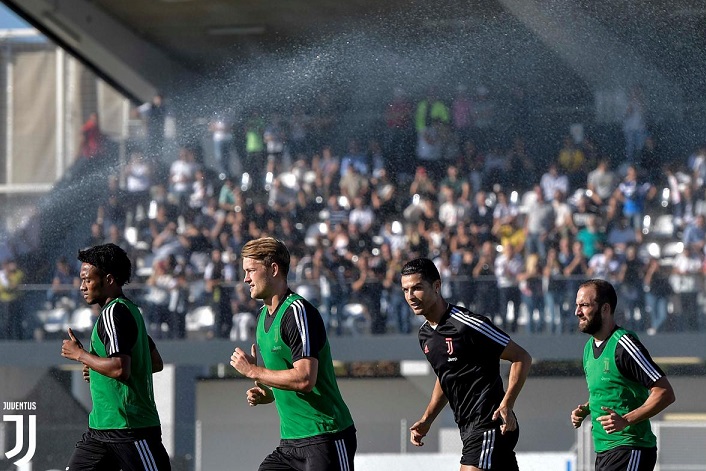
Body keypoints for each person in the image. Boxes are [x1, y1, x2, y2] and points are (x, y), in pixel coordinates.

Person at [229, 237, 356, 471]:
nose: (246, 278)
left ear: (274, 269)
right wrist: (266, 393)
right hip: (290, 444)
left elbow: (305, 379)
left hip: (326, 435)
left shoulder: (298, 312)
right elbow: (284, 376)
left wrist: (253, 371)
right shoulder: (261, 318)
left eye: (251, 271)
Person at [401, 258, 532, 471]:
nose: (410, 296)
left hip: (489, 423)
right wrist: (427, 420)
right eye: (405, 290)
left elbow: (521, 357)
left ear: (436, 286)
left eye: (417, 288)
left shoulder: (468, 325)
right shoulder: (425, 335)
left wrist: (507, 404)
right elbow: (445, 377)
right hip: (468, 428)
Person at [60, 243, 171, 470]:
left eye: (87, 280)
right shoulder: (127, 310)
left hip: (130, 429)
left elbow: (121, 368)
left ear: (109, 280)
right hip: (101, 431)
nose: (82, 286)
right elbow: (153, 362)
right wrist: (99, 369)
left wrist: (81, 355)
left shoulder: (114, 313)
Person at [570, 279, 675, 471]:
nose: (577, 312)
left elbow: (664, 392)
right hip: (605, 451)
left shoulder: (624, 345)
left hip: (631, 448)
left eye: (584, 305)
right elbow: (614, 390)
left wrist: (626, 420)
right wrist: (588, 408)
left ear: (605, 309)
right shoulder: (588, 348)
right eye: (577, 305)